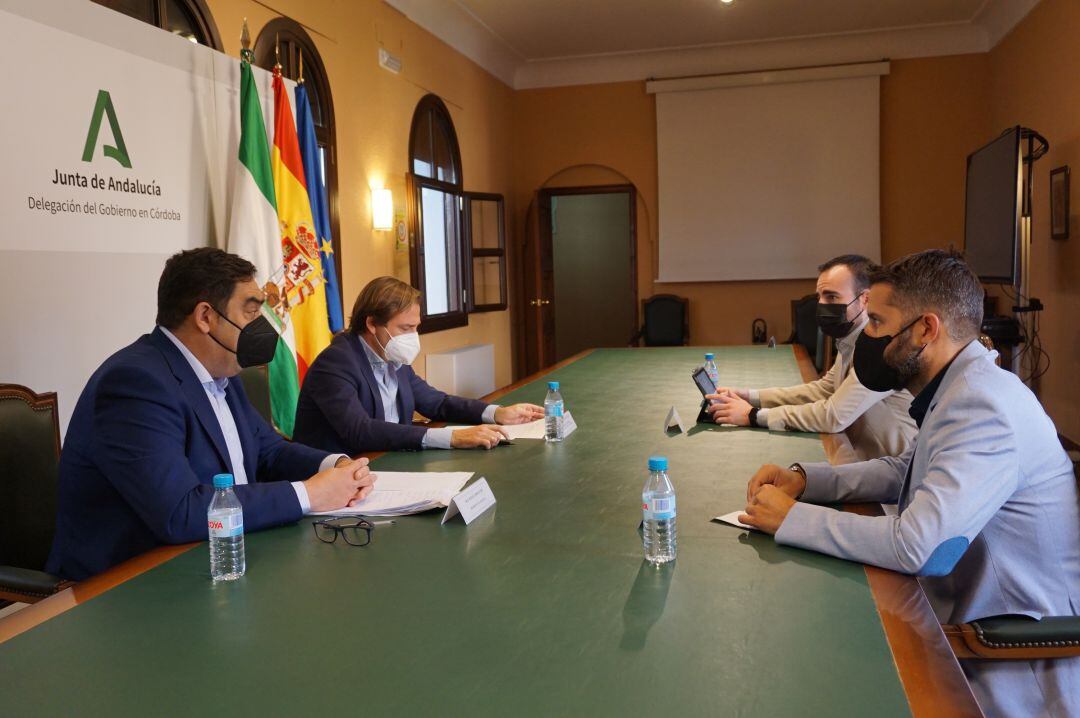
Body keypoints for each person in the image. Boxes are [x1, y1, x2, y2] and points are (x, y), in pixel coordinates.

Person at [739, 249, 1080, 717]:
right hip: (954, 618)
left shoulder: (983, 406)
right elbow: (906, 469)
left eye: (877, 322)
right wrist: (807, 480)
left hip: (1002, 659)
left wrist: (793, 519)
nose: (868, 335)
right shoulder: (962, 387)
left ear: (925, 329)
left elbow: (922, 547)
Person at [47, 248, 375, 581]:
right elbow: (180, 510)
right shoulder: (135, 383)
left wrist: (336, 467)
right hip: (129, 585)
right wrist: (311, 493)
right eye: (251, 312)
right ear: (205, 317)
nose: (263, 325)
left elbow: (269, 450)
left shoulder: (221, 371)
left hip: (220, 557)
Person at [293, 276, 543, 454]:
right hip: (339, 474)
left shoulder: (392, 356)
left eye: (416, 327)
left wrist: (497, 413)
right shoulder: (337, 361)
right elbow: (359, 431)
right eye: (405, 328)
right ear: (372, 324)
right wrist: (451, 437)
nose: (413, 337)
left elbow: (436, 403)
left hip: (386, 460)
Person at [709, 254, 916, 460]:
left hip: (894, 477)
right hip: (867, 462)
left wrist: (752, 415)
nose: (821, 304)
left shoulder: (879, 347)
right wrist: (749, 396)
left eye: (832, 297)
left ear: (865, 299)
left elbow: (833, 415)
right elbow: (824, 389)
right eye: (820, 296)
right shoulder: (851, 339)